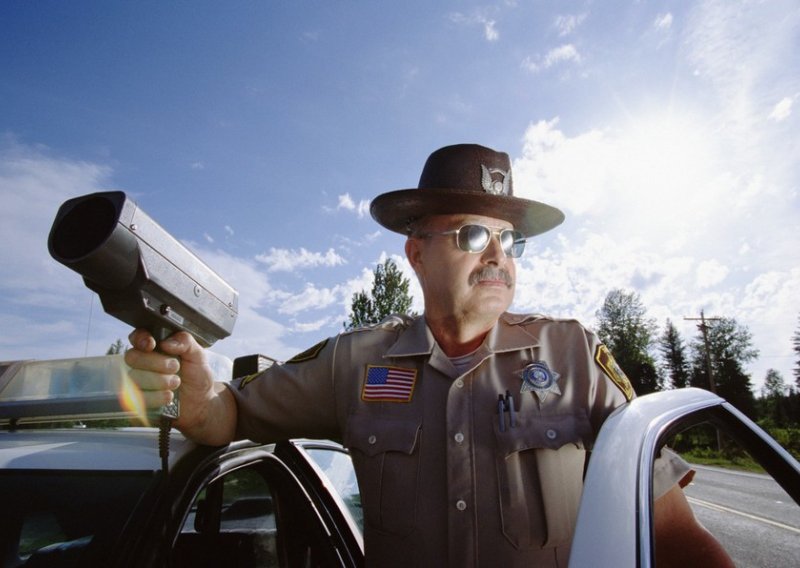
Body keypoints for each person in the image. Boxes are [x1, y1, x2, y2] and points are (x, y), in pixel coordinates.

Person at [126, 144, 732, 566]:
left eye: (509, 239)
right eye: (473, 234)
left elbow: (673, 535)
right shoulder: (355, 364)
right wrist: (195, 393)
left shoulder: (573, 357)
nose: (498, 255)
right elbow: (224, 417)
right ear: (417, 255)